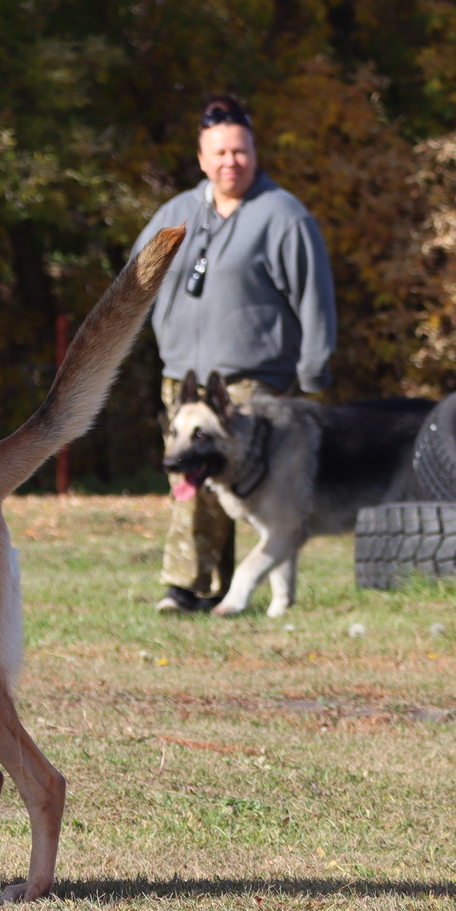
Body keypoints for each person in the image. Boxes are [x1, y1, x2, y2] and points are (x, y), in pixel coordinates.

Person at [131, 95, 337, 613]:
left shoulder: (283, 215)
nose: (231, 161)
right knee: (195, 481)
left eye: (240, 151)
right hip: (181, 376)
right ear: (202, 158)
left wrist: (314, 372)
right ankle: (217, 587)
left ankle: (186, 588)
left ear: (254, 152)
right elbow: (135, 280)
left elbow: (314, 297)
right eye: (220, 152)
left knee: (222, 481)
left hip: (250, 380)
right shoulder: (177, 213)